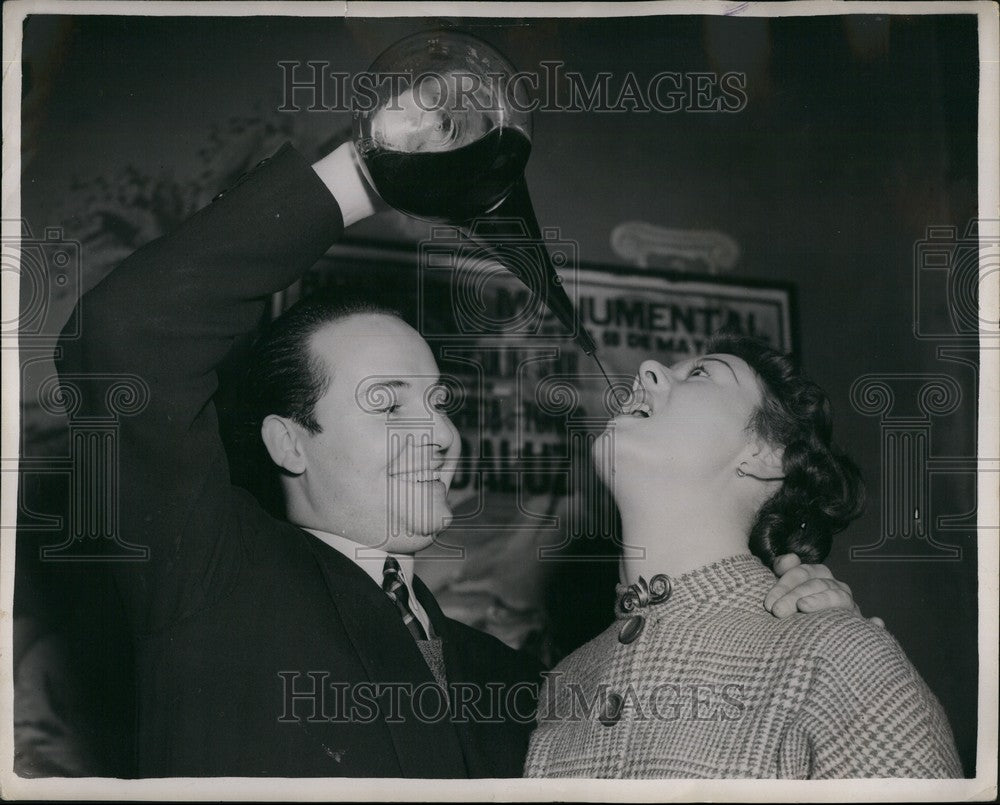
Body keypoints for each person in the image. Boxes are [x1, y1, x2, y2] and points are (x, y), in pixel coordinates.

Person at [55, 139, 864, 777]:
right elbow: (121, 338)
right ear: (288, 439)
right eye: (387, 401)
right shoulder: (212, 574)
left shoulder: (527, 690)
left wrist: (794, 627)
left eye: (439, 401)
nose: (438, 434)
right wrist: (367, 171)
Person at [523, 335, 962, 778]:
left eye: (699, 373)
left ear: (768, 454)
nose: (647, 369)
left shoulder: (842, 660)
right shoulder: (564, 683)